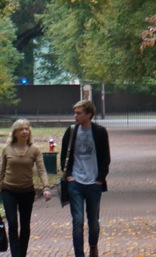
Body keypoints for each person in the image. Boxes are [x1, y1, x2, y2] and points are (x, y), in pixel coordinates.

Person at [61, 100, 111, 257]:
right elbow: (64, 156)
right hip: (75, 183)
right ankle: (79, 254)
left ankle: (93, 246)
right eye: (75, 113)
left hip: (94, 183)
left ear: (89, 115)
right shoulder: (71, 131)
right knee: (78, 221)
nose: (75, 116)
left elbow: (105, 157)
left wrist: (100, 179)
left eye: (78, 113)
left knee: (93, 222)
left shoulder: (100, 132)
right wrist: (68, 175)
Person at [0, 119, 52, 257]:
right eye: (21, 129)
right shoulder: (7, 149)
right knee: (12, 223)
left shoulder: (34, 150)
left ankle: (22, 253)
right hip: (8, 190)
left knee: (25, 225)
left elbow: (41, 170)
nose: (25, 132)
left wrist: (46, 187)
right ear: (15, 133)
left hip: (27, 191)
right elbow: (2, 171)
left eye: (27, 129)